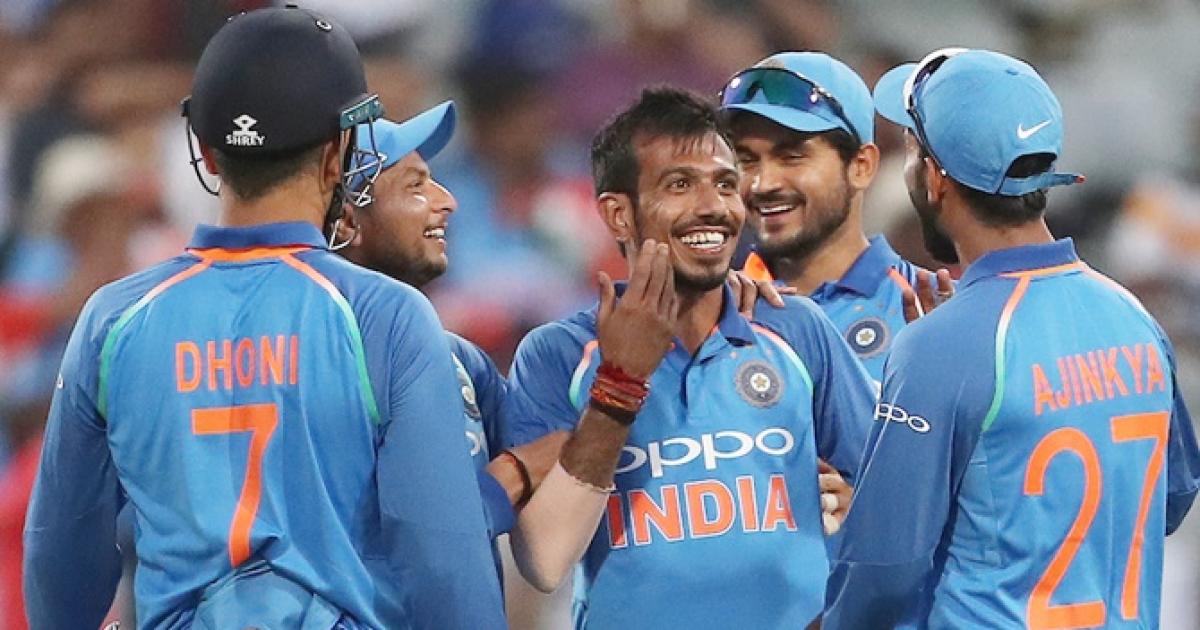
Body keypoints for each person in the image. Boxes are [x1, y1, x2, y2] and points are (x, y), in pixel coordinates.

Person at [22, 7, 505, 629]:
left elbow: (59, 572)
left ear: (208, 154)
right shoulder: (385, 314)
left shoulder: (111, 320)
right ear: (337, 155)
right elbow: (444, 567)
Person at [824, 48, 1200, 628]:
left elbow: (883, 575)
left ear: (934, 177)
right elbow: (1170, 500)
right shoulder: (1133, 315)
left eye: (911, 149)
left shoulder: (942, 344)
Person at [504, 86, 876, 629]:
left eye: (725, 184)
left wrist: (854, 506)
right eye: (679, 184)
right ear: (619, 215)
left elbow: (889, 499)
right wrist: (619, 383)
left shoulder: (795, 329)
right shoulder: (557, 355)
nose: (714, 208)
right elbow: (544, 562)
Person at [336, 103, 569, 546]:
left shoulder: (459, 358)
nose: (447, 201)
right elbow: (404, 533)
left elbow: (549, 448)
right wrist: (512, 477)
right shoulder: (322, 356)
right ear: (349, 220)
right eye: (415, 186)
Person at [720, 51, 952, 383]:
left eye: (792, 156)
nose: (763, 184)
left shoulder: (935, 312)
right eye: (746, 160)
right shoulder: (710, 312)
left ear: (861, 167)